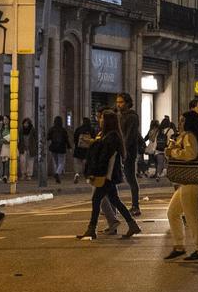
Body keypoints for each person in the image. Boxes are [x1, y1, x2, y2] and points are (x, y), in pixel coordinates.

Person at [77, 109, 140, 240]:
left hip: (107, 175)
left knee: (96, 200)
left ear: (108, 122)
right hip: (108, 175)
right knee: (114, 200)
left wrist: (96, 172)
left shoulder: (112, 137)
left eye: (102, 119)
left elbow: (105, 157)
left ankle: (91, 229)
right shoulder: (109, 135)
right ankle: (132, 225)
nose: (99, 120)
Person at [164, 110, 198, 261]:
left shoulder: (189, 135)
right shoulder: (189, 135)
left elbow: (190, 155)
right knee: (172, 212)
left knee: (192, 217)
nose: (180, 123)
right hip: (188, 183)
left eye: (183, 120)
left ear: (189, 122)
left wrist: (173, 152)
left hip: (193, 183)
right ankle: (179, 246)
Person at [114, 93, 142, 216]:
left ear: (127, 103)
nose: (119, 104)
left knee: (131, 178)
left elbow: (129, 136)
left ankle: (135, 206)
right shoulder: (120, 116)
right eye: (117, 102)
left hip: (128, 152)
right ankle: (112, 206)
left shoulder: (132, 117)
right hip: (121, 151)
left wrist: (123, 151)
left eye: (121, 102)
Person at [47, 116, 70, 184]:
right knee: (61, 162)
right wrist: (69, 147)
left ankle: (57, 176)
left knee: (56, 162)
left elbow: (48, 137)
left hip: (53, 147)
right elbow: (66, 139)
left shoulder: (52, 129)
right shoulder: (63, 130)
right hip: (61, 148)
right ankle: (57, 173)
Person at [154, 115, 177, 180]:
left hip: (158, 149)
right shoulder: (170, 130)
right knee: (168, 163)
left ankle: (158, 175)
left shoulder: (159, 130)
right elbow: (172, 140)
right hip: (167, 148)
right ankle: (168, 175)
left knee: (160, 163)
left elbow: (156, 140)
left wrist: (154, 149)